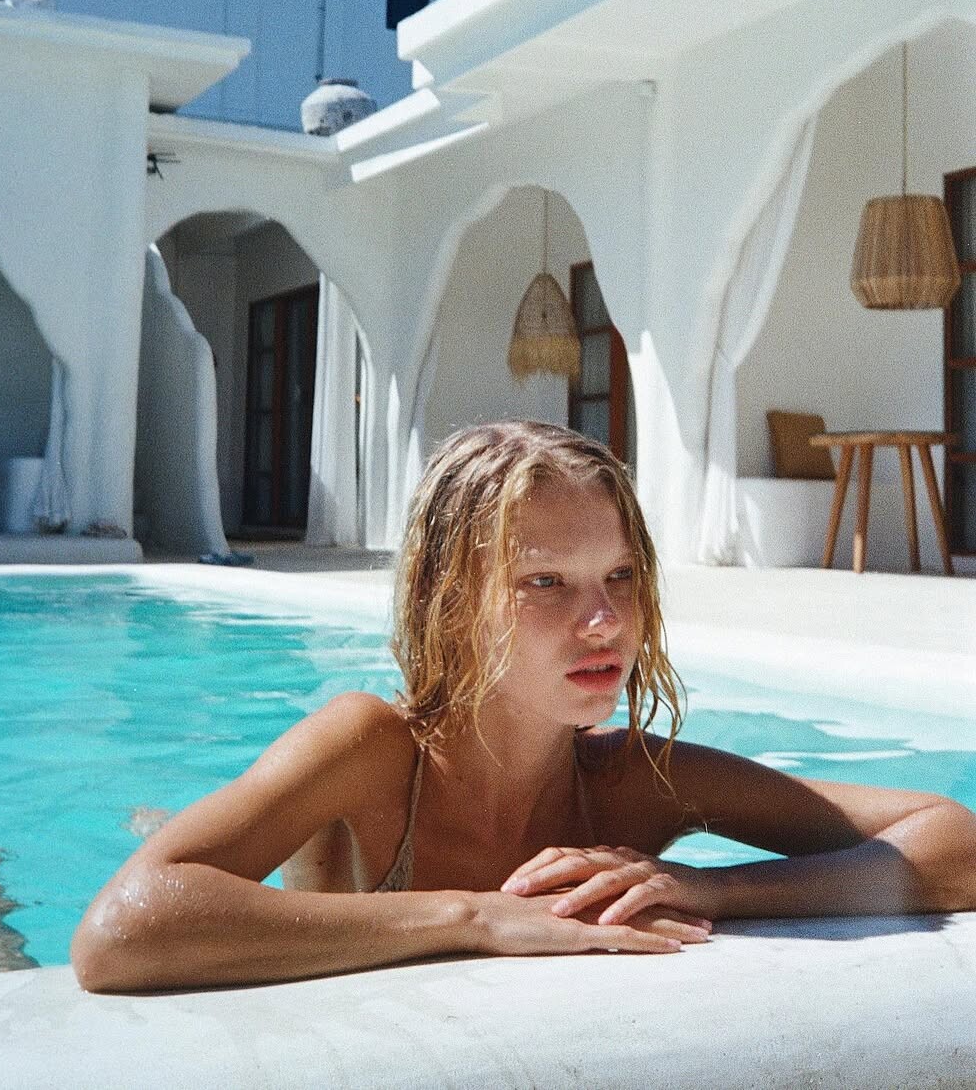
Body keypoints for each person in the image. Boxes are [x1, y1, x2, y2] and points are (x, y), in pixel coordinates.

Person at [71, 421, 976, 992]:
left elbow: (954, 841)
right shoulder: (372, 750)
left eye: (620, 575)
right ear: (451, 602)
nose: (605, 620)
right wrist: (474, 917)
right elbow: (121, 930)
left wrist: (713, 886)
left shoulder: (632, 782)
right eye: (546, 581)